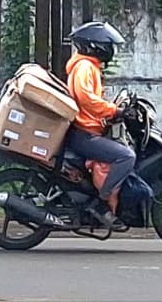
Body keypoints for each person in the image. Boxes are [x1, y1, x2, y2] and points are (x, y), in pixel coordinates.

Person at [64, 20, 134, 229]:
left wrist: (112, 112)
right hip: (84, 133)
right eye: (108, 45)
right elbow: (86, 99)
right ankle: (102, 203)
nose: (110, 50)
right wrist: (114, 111)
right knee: (126, 156)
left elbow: (91, 102)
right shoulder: (84, 66)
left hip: (87, 129)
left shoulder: (87, 66)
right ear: (95, 46)